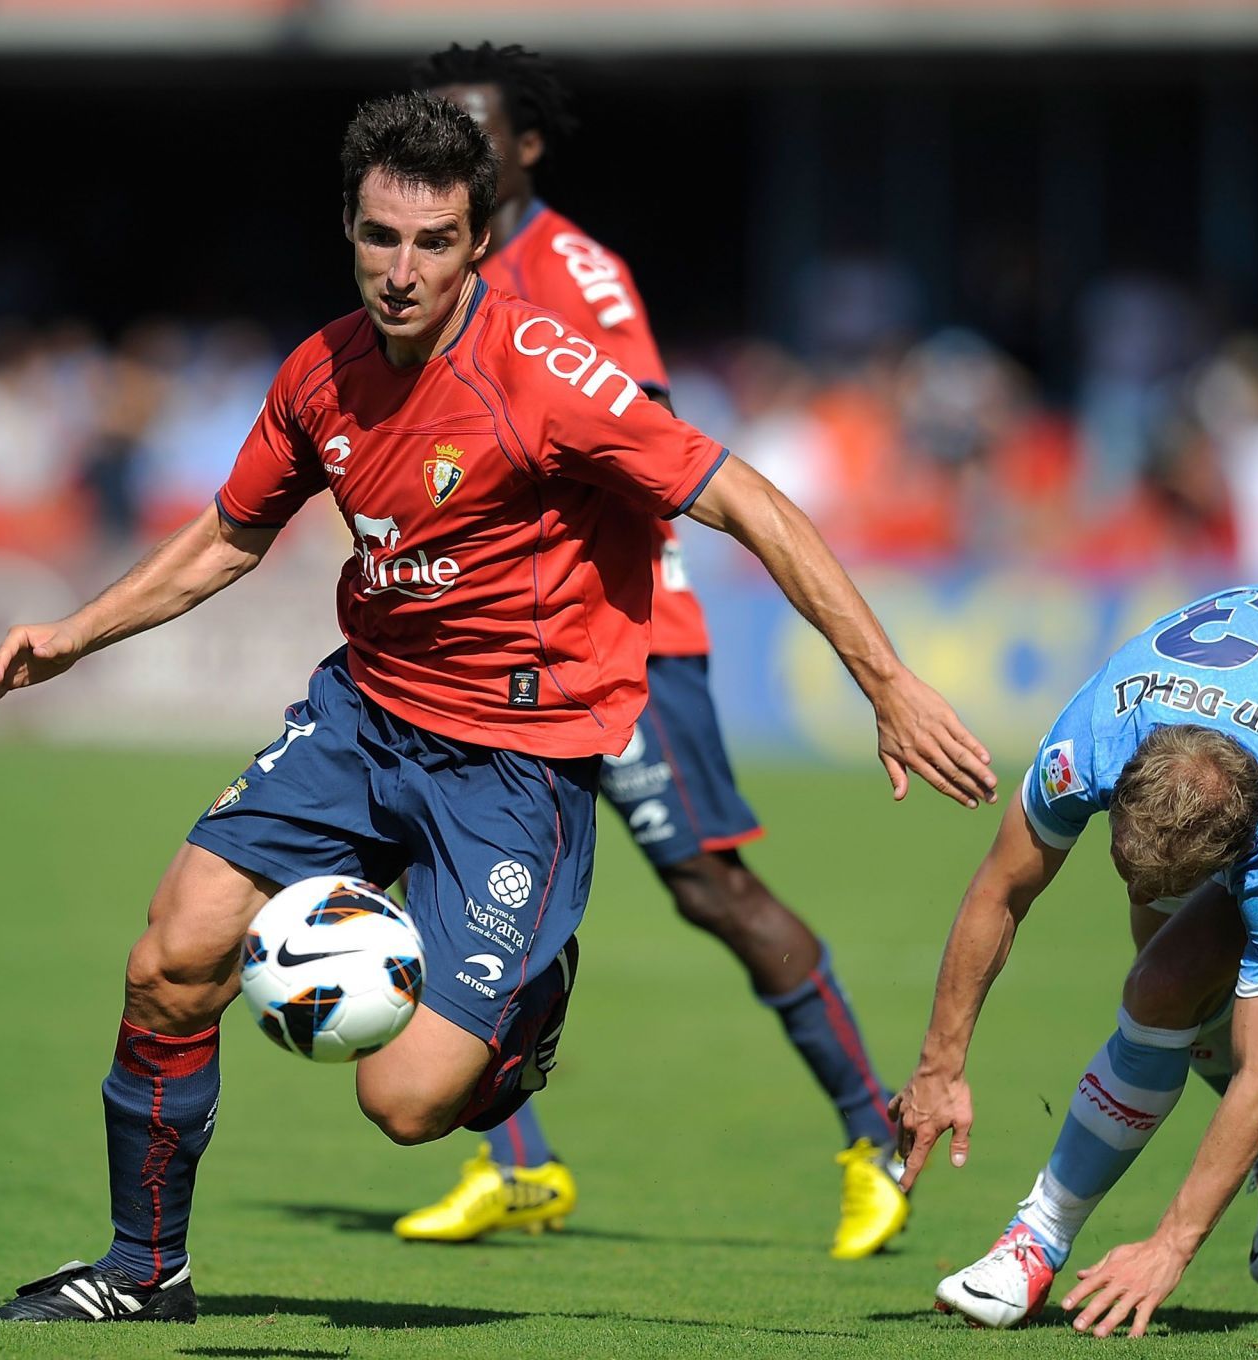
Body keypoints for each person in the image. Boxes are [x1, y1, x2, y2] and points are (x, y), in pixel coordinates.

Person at [0, 91, 995, 1325]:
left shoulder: (545, 377)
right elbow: (226, 541)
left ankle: (528, 1007)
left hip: (515, 762)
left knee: (403, 1106)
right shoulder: (319, 370)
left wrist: (885, 680)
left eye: (433, 242)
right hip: (363, 718)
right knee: (172, 952)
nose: (402, 271)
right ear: (347, 229)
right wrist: (73, 635)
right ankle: (144, 1271)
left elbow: (753, 503)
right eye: (379, 238)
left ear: (475, 241)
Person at [383, 41, 913, 1260]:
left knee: (709, 889)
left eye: (475, 131)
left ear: (522, 148)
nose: (450, 153)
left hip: (622, 639)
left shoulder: (569, 268)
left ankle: (873, 1134)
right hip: (501, 642)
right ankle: (513, 1162)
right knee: (442, 865)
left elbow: (654, 436)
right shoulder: (443, 276)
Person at [890, 585, 1258, 1337]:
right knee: (1171, 994)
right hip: (1251, 657)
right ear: (1119, 791)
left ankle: (1034, 1241)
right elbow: (1000, 890)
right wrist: (938, 1066)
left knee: (1163, 989)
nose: (1139, 889)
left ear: (1239, 858)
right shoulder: (1097, 736)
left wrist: (1171, 1244)